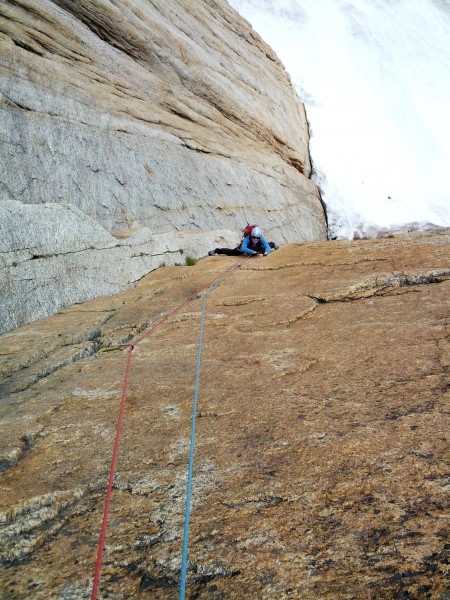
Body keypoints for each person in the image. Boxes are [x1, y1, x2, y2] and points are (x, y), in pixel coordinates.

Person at [209, 226, 278, 256]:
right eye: (254, 237)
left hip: (256, 249)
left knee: (268, 245)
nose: (255, 239)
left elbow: (266, 246)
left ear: (259, 237)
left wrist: (265, 253)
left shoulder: (261, 238)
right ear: (251, 236)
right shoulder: (247, 239)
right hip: (251, 249)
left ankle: (273, 244)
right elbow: (243, 248)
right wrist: (253, 252)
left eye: (257, 238)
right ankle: (216, 251)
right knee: (232, 252)